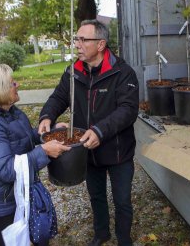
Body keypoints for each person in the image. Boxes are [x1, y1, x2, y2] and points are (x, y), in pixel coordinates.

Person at [38, 19, 139, 246]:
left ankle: (124, 239)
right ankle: (101, 233)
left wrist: (100, 130)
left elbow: (128, 110)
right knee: (96, 196)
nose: (77, 44)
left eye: (83, 39)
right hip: (87, 152)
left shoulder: (122, 73)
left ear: (101, 44)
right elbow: (59, 97)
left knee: (122, 200)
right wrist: (47, 116)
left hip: (118, 152)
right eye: (76, 39)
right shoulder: (73, 71)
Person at [0, 64, 70, 246]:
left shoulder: (9, 111)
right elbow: (6, 169)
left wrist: (50, 133)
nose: (17, 84)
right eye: (12, 83)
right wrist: (44, 151)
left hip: (15, 194)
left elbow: (22, 137)